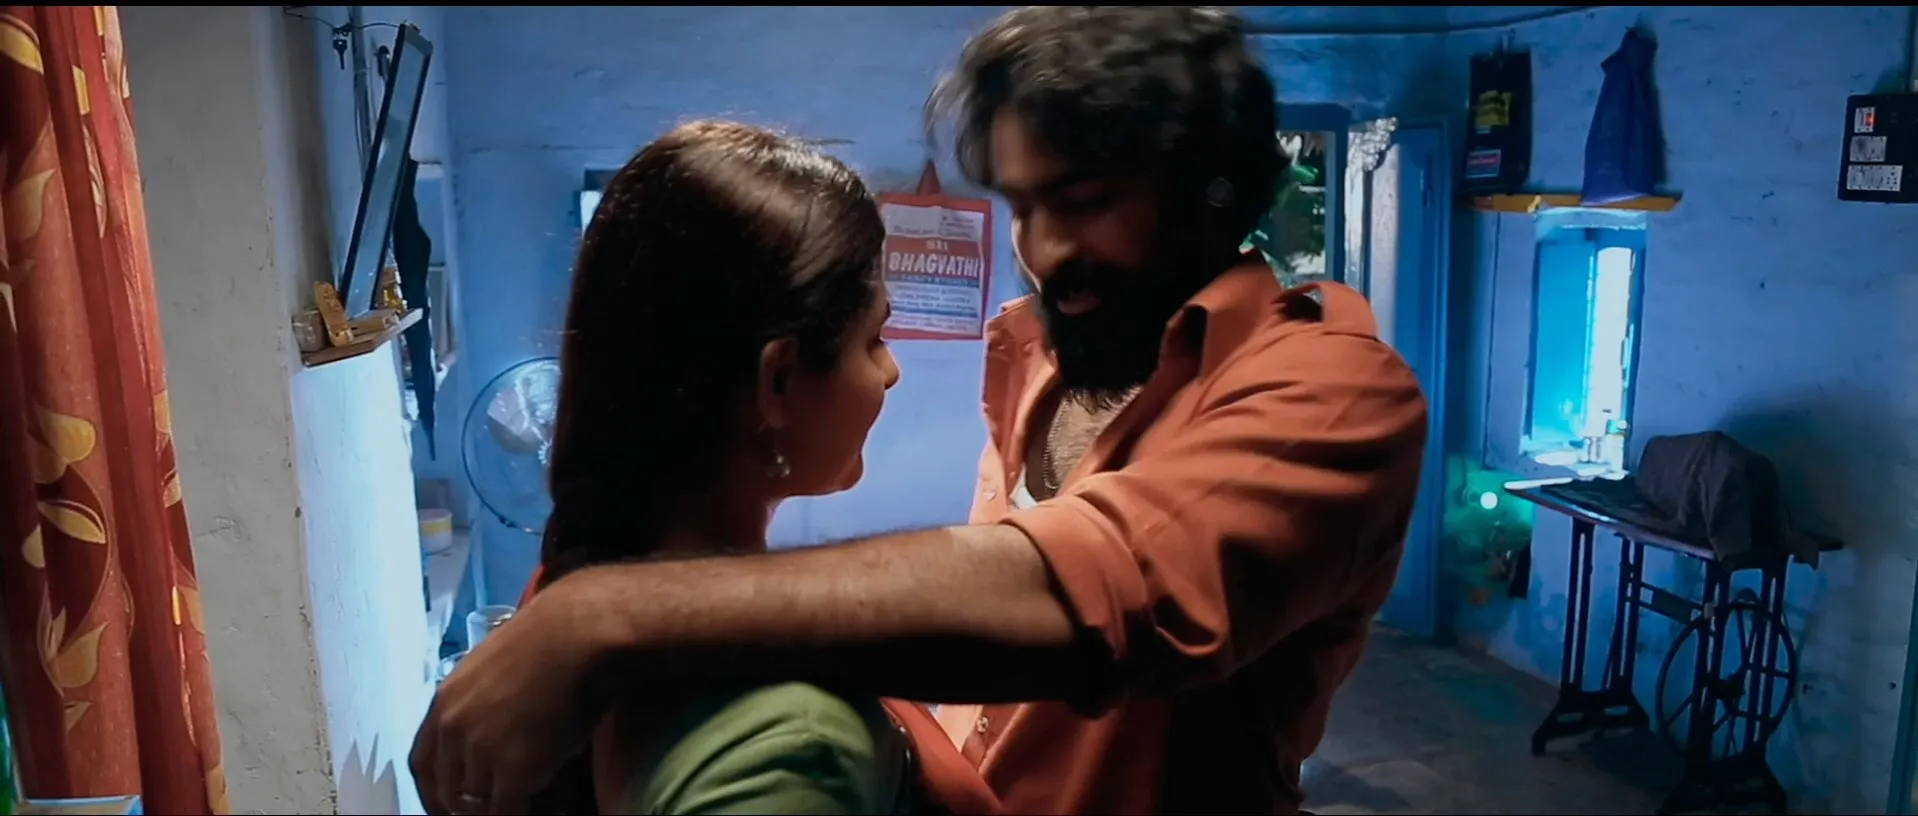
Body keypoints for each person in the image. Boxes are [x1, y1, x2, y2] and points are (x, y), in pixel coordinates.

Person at [412, 7, 1428, 815]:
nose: (1043, 253)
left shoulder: (1331, 394)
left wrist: (609, 618)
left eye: (1085, 202)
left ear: (1210, 190)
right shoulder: (1035, 351)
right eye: (1022, 205)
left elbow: (1114, 594)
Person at [503, 119, 992, 816]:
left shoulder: (573, 590)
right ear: (779, 380)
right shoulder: (789, 747)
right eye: (874, 338)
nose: (890, 371)